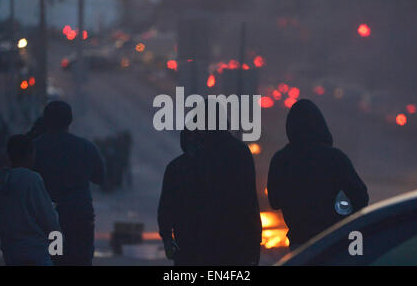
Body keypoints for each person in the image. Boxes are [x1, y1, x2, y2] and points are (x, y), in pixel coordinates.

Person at [158, 99, 262, 265]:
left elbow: (168, 206)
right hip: (233, 250)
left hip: (192, 251)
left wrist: (167, 238)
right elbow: (249, 204)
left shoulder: (182, 164)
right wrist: (254, 244)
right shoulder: (239, 153)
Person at [267, 99, 369, 250]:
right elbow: (361, 197)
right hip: (332, 242)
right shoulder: (335, 158)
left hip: (298, 244)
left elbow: (274, 202)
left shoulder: (281, 159)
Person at [33, 101, 106, 265]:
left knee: (54, 259)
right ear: (70, 120)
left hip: (48, 217)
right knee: (80, 259)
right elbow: (100, 178)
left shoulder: (35, 148)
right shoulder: (86, 147)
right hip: (80, 215)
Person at [0, 135, 61, 266]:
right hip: (35, 252)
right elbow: (49, 220)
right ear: (30, 154)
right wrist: (58, 249)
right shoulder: (31, 179)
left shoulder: (0, 180)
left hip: (11, 252)